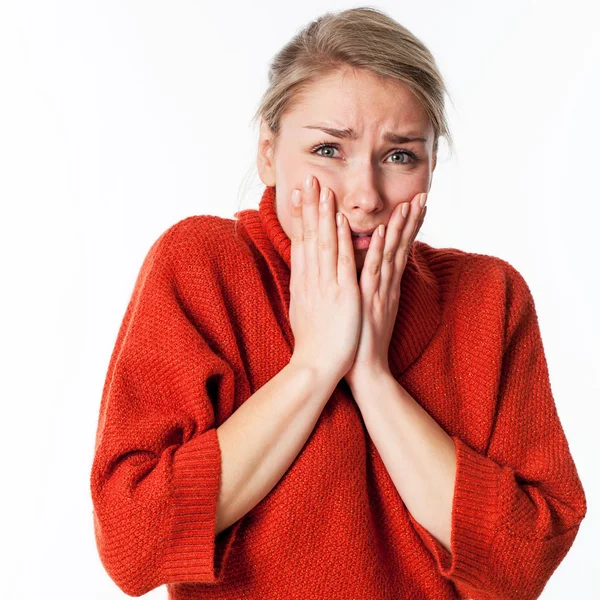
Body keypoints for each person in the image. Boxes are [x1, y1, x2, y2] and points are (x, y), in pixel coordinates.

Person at [90, 7, 587, 599]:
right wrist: (314, 365)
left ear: (431, 164)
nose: (366, 196)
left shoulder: (488, 296)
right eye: (329, 150)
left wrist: (372, 376)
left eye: (400, 155)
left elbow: (526, 561)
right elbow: (133, 542)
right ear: (269, 154)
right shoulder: (203, 265)